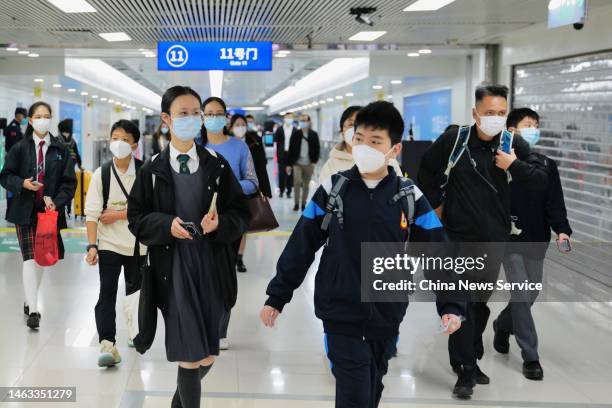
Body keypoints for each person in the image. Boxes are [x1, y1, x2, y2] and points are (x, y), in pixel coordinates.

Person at [260, 101, 464, 408]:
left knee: (372, 385)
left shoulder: (410, 196)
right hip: (339, 307)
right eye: (359, 139)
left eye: (375, 141)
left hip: (387, 310)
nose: (364, 146)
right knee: (354, 391)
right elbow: (301, 243)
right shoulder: (332, 189)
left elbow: (437, 251)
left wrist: (450, 304)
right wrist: (278, 295)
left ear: (394, 149)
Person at [418, 85, 548, 398]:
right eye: (489, 113)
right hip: (456, 238)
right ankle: (465, 370)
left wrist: (513, 165)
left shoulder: (511, 143)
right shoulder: (455, 140)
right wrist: (435, 205)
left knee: (478, 305)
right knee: (460, 301)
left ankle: (469, 358)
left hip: (493, 241)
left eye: (501, 113)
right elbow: (426, 170)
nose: (495, 118)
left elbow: (542, 180)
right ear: (476, 113)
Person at [128, 86, 250, 408]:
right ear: (166, 119)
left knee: (207, 354)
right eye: (183, 113)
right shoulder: (151, 170)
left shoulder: (217, 166)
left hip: (211, 266)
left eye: (196, 113)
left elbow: (241, 213)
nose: (193, 119)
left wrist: (220, 223)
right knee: (189, 356)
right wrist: (165, 225)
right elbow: (136, 219)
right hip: (174, 268)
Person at [492, 108, 572, 380]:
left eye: (536, 125)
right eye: (528, 125)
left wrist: (562, 230)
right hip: (508, 240)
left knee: (529, 294)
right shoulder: (497, 164)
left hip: (537, 239)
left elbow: (554, 202)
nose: (534, 129)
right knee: (522, 292)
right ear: (512, 131)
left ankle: (502, 326)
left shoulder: (546, 164)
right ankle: (531, 357)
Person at [0, 101, 76, 330]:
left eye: (47, 115)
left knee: (42, 259)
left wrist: (58, 201)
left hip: (48, 213)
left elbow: (68, 183)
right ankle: (33, 310)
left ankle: (28, 298)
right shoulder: (20, 148)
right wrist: (21, 183)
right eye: (38, 116)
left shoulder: (60, 149)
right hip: (24, 210)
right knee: (30, 258)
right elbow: (5, 176)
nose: (43, 119)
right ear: (31, 120)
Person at [198, 97, 258, 351]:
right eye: (208, 113)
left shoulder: (240, 148)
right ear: (202, 116)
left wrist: (227, 188)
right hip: (198, 219)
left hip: (228, 220)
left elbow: (252, 181)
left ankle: (221, 329)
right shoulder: (195, 146)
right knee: (199, 273)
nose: (213, 117)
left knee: (223, 274)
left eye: (218, 113)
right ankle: (200, 325)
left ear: (226, 117)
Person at [84, 120, 145, 367]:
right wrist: (92, 246)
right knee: (106, 292)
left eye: (125, 139)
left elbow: (149, 211)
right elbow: (92, 213)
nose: (119, 144)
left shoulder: (145, 172)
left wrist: (119, 214)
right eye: (115, 138)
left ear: (135, 144)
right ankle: (107, 343)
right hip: (109, 243)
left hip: (138, 244)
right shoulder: (102, 173)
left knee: (136, 292)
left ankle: (134, 333)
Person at [319, 105, 403, 182]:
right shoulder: (332, 165)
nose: (355, 129)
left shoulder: (387, 160)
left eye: (360, 124)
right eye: (351, 124)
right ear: (342, 131)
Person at [231, 114, 272, 198]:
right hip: (231, 190)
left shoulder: (255, 142)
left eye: (243, 125)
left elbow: (261, 169)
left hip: (252, 189)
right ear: (231, 127)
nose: (241, 127)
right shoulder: (226, 143)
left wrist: (266, 191)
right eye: (237, 125)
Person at [287, 114, 320, 211]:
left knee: (306, 184)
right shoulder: (296, 134)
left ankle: (303, 203)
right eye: (301, 120)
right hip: (297, 163)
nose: (303, 122)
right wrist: (289, 164)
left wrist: (314, 161)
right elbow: (291, 149)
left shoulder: (314, 134)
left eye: (305, 120)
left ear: (309, 122)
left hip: (309, 163)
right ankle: (296, 203)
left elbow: (317, 148)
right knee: (297, 182)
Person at [4, 107, 28, 215]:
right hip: (13, 162)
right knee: (12, 185)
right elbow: (14, 147)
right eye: (24, 116)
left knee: (15, 185)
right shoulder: (13, 128)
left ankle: (13, 209)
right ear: (19, 115)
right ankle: (10, 210)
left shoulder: (18, 127)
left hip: (17, 161)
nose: (25, 118)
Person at [58, 118, 82, 218]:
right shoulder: (58, 140)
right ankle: (63, 207)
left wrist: (80, 165)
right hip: (60, 168)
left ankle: (67, 207)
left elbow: (76, 154)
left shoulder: (72, 141)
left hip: (70, 167)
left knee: (69, 188)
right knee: (63, 188)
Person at [274, 112, 298, 198]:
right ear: (284, 118)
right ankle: (281, 190)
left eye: (290, 117)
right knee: (281, 173)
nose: (289, 119)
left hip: (291, 154)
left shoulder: (295, 130)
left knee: (290, 173)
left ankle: (289, 191)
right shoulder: (279, 129)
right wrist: (277, 154)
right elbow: (277, 143)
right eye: (287, 117)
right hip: (282, 154)